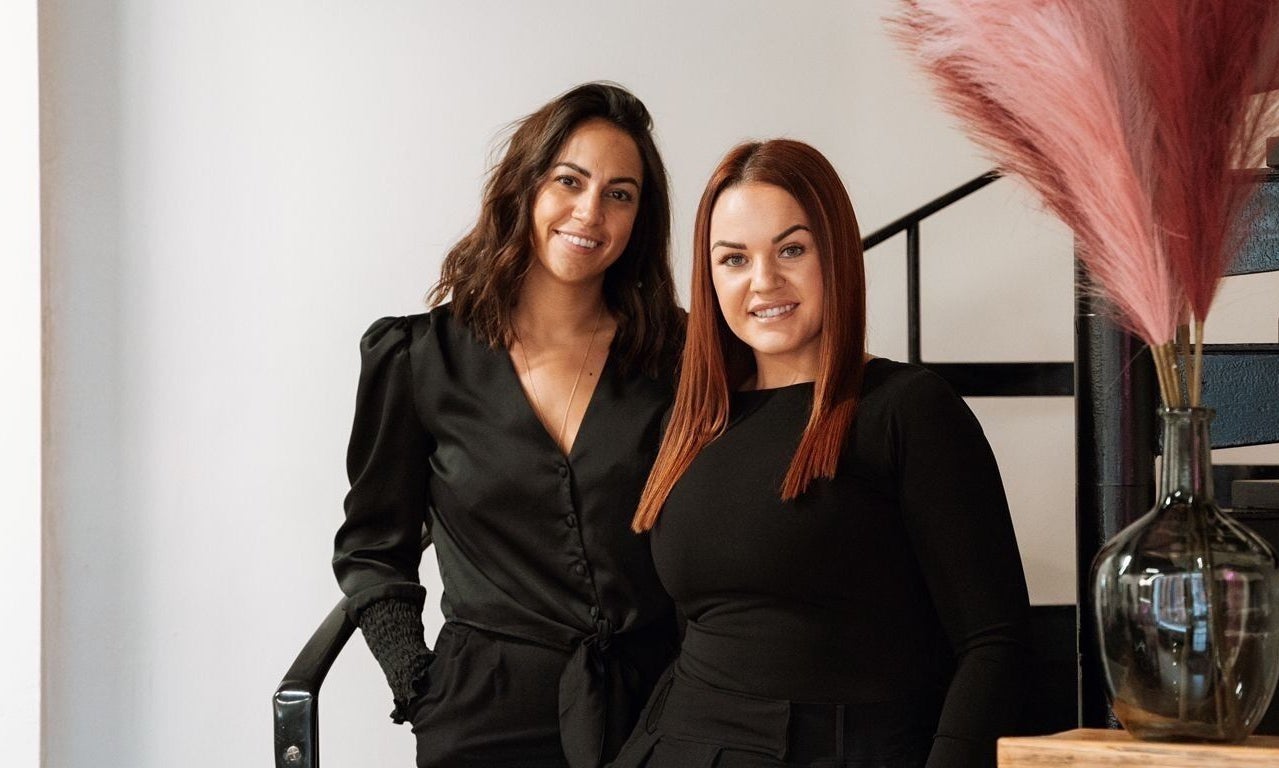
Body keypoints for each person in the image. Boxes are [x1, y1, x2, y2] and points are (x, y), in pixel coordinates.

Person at [612, 140, 1030, 768]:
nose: (764, 281)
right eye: (733, 259)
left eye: (791, 249)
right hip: (676, 744)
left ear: (834, 253)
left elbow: (993, 641)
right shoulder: (693, 420)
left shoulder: (907, 409)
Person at [332, 82, 686, 768]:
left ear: (640, 218)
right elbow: (374, 546)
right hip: (482, 715)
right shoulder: (418, 359)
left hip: (658, 708)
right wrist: (418, 682)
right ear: (524, 186)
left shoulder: (679, 358)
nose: (591, 210)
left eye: (620, 193)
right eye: (569, 180)